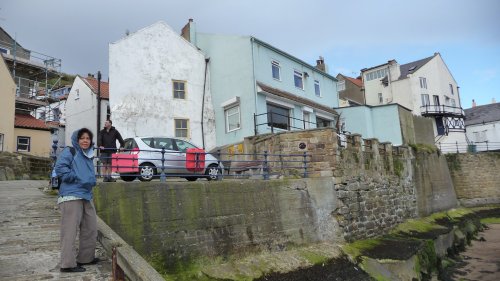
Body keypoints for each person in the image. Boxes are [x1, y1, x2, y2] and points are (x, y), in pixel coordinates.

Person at [55, 128, 100, 273]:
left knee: (90, 227)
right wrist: (76, 177)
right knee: (69, 230)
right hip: (71, 195)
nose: (85, 140)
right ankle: (67, 264)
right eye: (82, 138)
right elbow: (60, 168)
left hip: (86, 194)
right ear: (77, 139)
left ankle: (85, 258)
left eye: (88, 138)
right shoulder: (70, 151)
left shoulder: (88, 155)